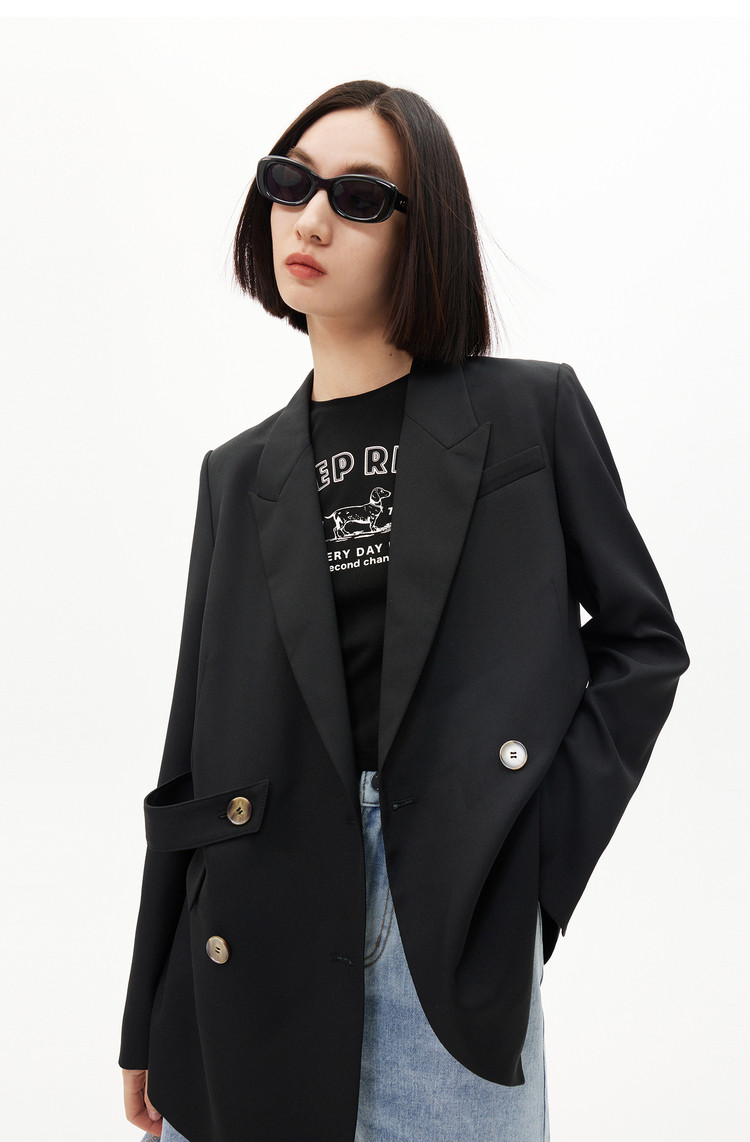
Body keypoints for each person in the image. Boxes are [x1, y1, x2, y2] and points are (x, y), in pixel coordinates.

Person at [119, 79, 690, 1142]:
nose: (311, 217)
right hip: (247, 949)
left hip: (448, 937)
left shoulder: (529, 413)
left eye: (360, 197)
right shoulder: (235, 473)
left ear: (425, 235)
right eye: (290, 182)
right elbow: (190, 754)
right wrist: (142, 1008)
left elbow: (641, 645)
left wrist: (529, 869)